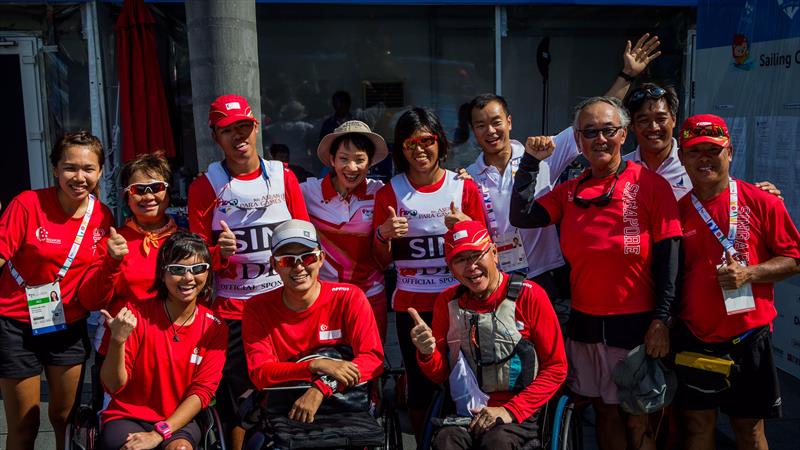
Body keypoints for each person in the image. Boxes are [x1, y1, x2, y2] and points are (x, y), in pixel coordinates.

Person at [510, 97, 682, 450]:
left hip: (637, 325)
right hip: (586, 323)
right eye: (590, 132)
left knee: (639, 416)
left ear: (623, 135)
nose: (599, 139)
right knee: (604, 413)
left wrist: (662, 319)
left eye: (608, 130)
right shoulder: (569, 191)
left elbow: (670, 261)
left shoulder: (651, 185)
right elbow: (522, 215)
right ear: (578, 139)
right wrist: (529, 162)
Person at [464, 34, 661, 301]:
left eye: (496, 122)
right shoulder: (467, 177)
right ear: (473, 131)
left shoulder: (541, 153)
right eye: (480, 125)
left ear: (509, 122)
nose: (491, 131)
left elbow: (594, 119)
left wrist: (626, 75)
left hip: (546, 274)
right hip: (497, 277)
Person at [188, 93, 309, 449]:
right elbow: (196, 261)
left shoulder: (283, 176)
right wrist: (219, 254)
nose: (239, 136)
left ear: (256, 126)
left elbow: (304, 238)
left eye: (244, 126)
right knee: (240, 404)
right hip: (234, 311)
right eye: (228, 130)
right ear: (215, 136)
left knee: (288, 394)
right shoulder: (204, 186)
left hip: (283, 305)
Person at [673, 115, 800, 450]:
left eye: (712, 150)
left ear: (730, 151)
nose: (704, 159)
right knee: (698, 429)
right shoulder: (677, 211)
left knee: (750, 431)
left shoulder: (763, 201)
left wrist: (750, 273)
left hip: (748, 338)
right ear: (683, 157)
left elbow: (795, 259)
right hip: (695, 337)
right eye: (694, 151)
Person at [372, 107, 487, 440]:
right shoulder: (389, 193)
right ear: (400, 149)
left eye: (427, 141)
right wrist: (383, 235)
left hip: (459, 302)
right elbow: (379, 262)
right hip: (412, 306)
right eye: (410, 144)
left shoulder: (463, 188)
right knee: (421, 389)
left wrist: (465, 226)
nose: (420, 150)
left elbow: (485, 248)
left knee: (469, 382)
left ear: (441, 143)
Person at [409, 220, 568, 450]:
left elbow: (556, 368)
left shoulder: (530, 296)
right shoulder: (447, 302)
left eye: (476, 255)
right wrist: (426, 353)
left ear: (494, 253)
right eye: (460, 260)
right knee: (445, 441)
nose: (470, 266)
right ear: (450, 267)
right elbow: (440, 374)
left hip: (518, 412)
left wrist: (509, 410)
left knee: (497, 442)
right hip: (464, 411)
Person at [0, 131, 113, 450]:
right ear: (54, 169)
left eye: (88, 168)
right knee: (25, 425)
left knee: (66, 420)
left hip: (67, 325)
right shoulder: (28, 203)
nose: (79, 177)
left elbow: (99, 275)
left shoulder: (102, 217)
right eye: (70, 167)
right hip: (14, 324)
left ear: (100, 171)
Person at [242, 219, 384, 423]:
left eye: (307, 257)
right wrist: (316, 365)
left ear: (321, 259)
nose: (299, 267)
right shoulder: (257, 308)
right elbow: (260, 373)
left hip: (345, 406)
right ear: (274, 265)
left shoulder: (349, 297)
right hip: (286, 409)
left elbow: (372, 358)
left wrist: (322, 387)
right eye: (287, 260)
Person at [97, 232, 228, 450]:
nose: (188, 278)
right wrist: (117, 341)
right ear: (162, 273)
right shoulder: (135, 315)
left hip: (179, 419)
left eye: (198, 269)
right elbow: (112, 385)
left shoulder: (215, 327)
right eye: (177, 270)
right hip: (128, 415)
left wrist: (160, 432)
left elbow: (202, 392)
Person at [80, 152, 179, 353]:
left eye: (157, 187)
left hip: (175, 346)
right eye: (139, 190)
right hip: (125, 349)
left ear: (168, 193)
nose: (149, 196)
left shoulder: (186, 241)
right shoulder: (113, 242)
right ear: (127, 196)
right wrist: (111, 261)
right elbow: (91, 301)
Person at [301, 120, 391, 340]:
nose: (352, 168)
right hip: (324, 297)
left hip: (370, 296)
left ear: (369, 163)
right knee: (330, 363)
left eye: (360, 160)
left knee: (370, 364)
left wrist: (463, 179)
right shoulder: (306, 191)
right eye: (343, 159)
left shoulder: (382, 193)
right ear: (332, 160)